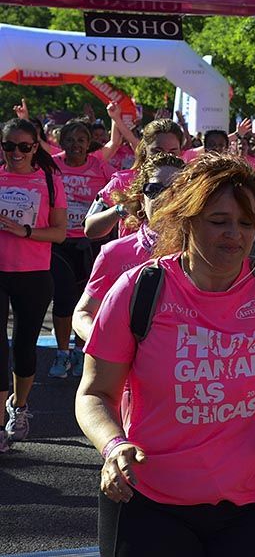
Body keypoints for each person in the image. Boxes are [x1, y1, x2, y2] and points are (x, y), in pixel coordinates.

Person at [76, 154, 255, 557]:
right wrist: (112, 447)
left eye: (246, 223)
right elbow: (93, 393)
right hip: (148, 500)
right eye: (218, 221)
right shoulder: (138, 289)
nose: (235, 234)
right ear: (186, 218)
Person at [1, 119, 68, 450]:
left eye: (24, 146)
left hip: (33, 273)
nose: (16, 152)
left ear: (35, 147)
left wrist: (24, 232)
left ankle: (20, 407)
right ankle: (0, 422)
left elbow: (59, 232)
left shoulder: (49, 179)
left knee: (24, 347)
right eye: (9, 146)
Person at [72, 153, 186, 343]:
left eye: (176, 189)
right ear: (141, 198)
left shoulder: (202, 251)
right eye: (155, 189)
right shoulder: (114, 253)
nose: (165, 197)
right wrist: (105, 343)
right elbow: (83, 312)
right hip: (125, 369)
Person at [49, 120, 117, 378]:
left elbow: (123, 184)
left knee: (87, 300)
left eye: (81, 140)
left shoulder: (100, 167)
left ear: (89, 144)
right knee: (64, 297)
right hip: (60, 241)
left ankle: (80, 351)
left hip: (91, 242)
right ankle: (62, 352)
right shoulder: (52, 165)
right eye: (70, 139)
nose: (75, 145)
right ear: (61, 141)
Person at [84, 118, 185, 240]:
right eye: (157, 151)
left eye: (172, 152)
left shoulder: (188, 182)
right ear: (145, 150)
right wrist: (122, 209)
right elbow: (89, 228)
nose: (164, 156)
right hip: (131, 256)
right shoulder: (123, 181)